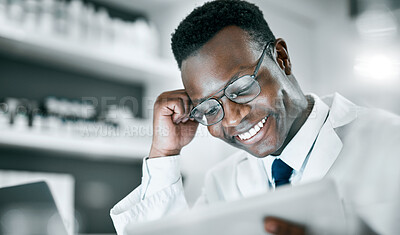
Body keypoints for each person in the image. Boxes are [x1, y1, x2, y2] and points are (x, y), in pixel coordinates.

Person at [110, 1, 400, 234]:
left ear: (282, 59)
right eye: (210, 108)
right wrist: (164, 154)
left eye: (242, 88)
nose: (232, 119)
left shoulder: (390, 143)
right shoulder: (222, 183)